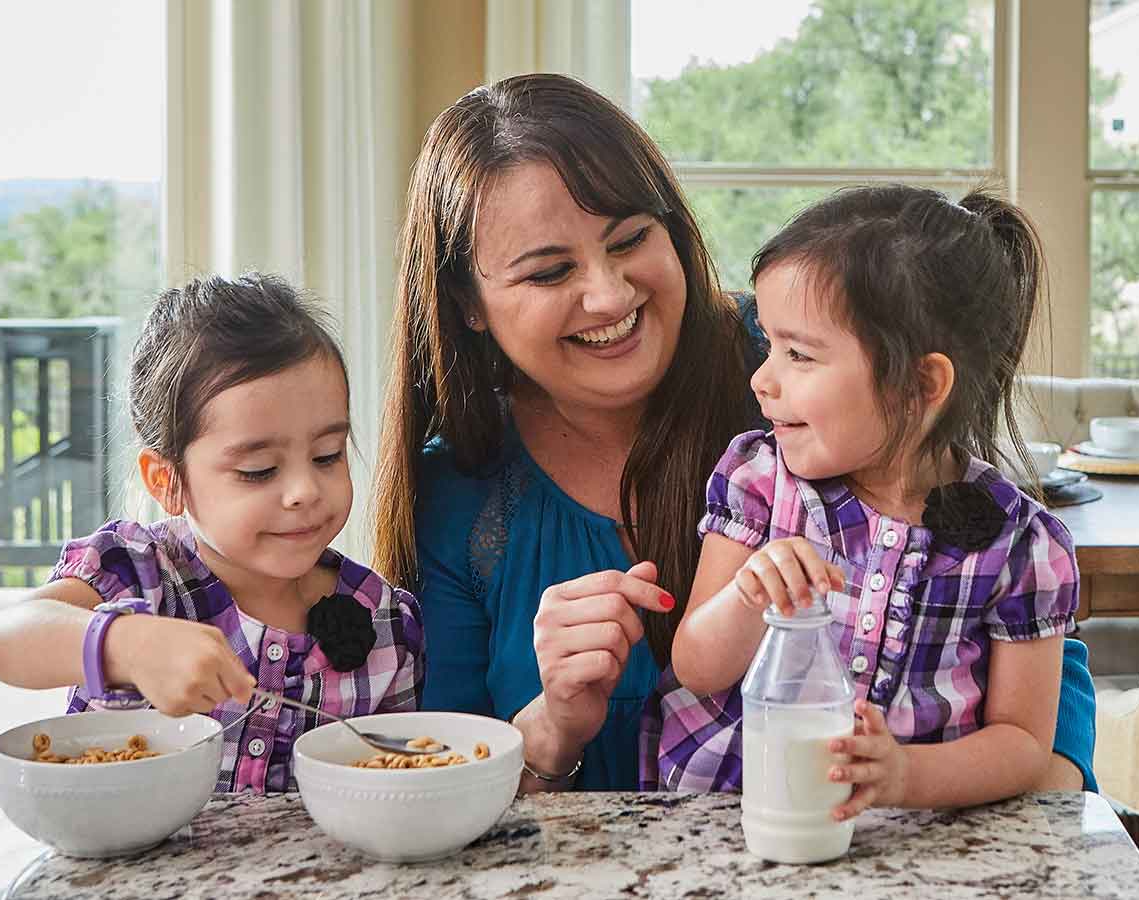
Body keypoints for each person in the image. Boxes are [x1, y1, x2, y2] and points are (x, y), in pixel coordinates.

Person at [371, 73, 1096, 794]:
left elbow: (1039, 696)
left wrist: (992, 778)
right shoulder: (461, 493)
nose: (611, 294)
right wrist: (554, 727)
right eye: (551, 270)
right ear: (468, 302)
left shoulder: (798, 374)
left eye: (630, 239)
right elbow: (443, 786)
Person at [651, 185, 1075, 822]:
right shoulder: (760, 480)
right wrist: (746, 596)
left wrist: (906, 773)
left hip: (913, 840)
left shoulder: (1021, 546)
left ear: (920, 385)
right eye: (768, 345)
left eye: (798, 354)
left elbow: (1022, 744)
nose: (761, 379)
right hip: (736, 815)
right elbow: (695, 668)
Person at [0, 273, 424, 794]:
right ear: (168, 481)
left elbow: (403, 782)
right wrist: (126, 645)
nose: (305, 489)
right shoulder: (138, 576)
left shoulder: (385, 622)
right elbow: (6, 641)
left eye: (327, 456)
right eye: (259, 469)